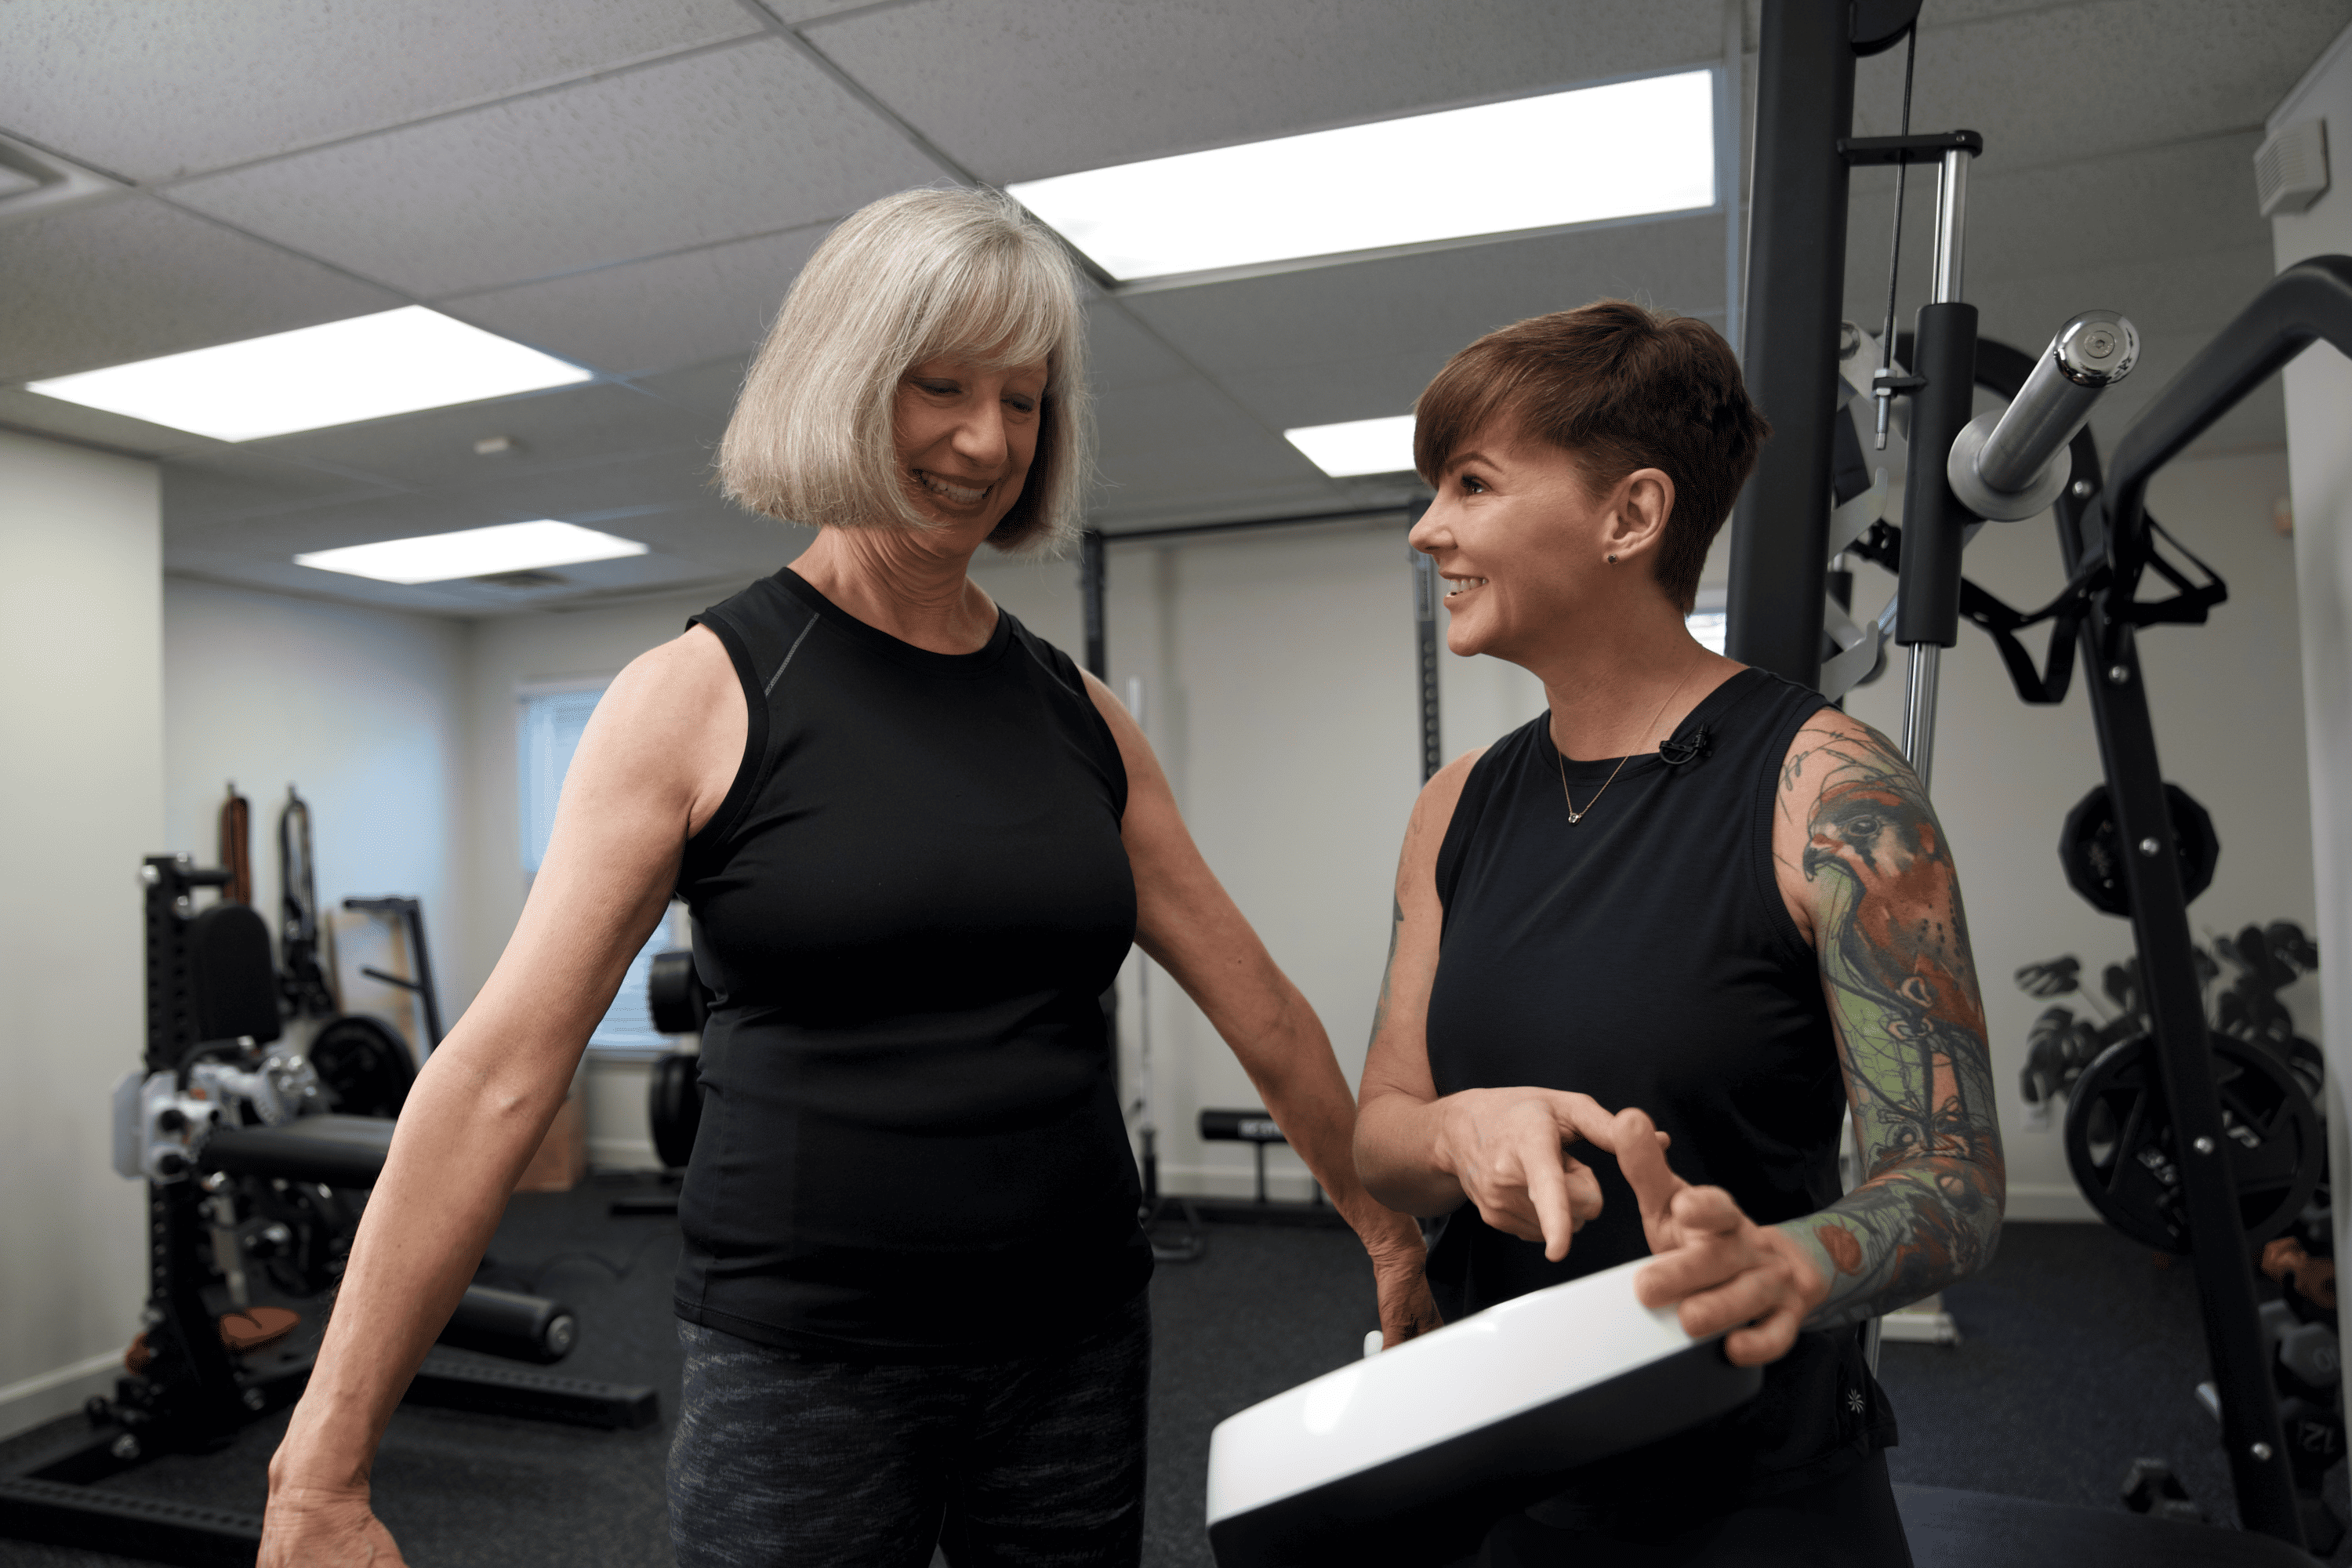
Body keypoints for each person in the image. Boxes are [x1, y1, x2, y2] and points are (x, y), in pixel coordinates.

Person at [259, 187, 1437, 1568]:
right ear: (840, 382)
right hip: (803, 1367)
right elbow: (499, 1076)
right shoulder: (698, 696)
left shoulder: (1078, 714)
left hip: (1073, 1343)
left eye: (1024, 398)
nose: (986, 439)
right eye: (938, 386)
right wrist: (321, 1471)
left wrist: (1389, 1234)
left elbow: (1266, 1010)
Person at [1354, 301, 2005, 1566]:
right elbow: (1382, 1134)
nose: (1428, 528)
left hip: (1750, 1488)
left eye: (1472, 484)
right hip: (1505, 1468)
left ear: (1630, 516)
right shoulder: (1458, 806)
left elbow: (1957, 1184)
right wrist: (1456, 1130)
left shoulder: (1829, 793)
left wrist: (1788, 1263)